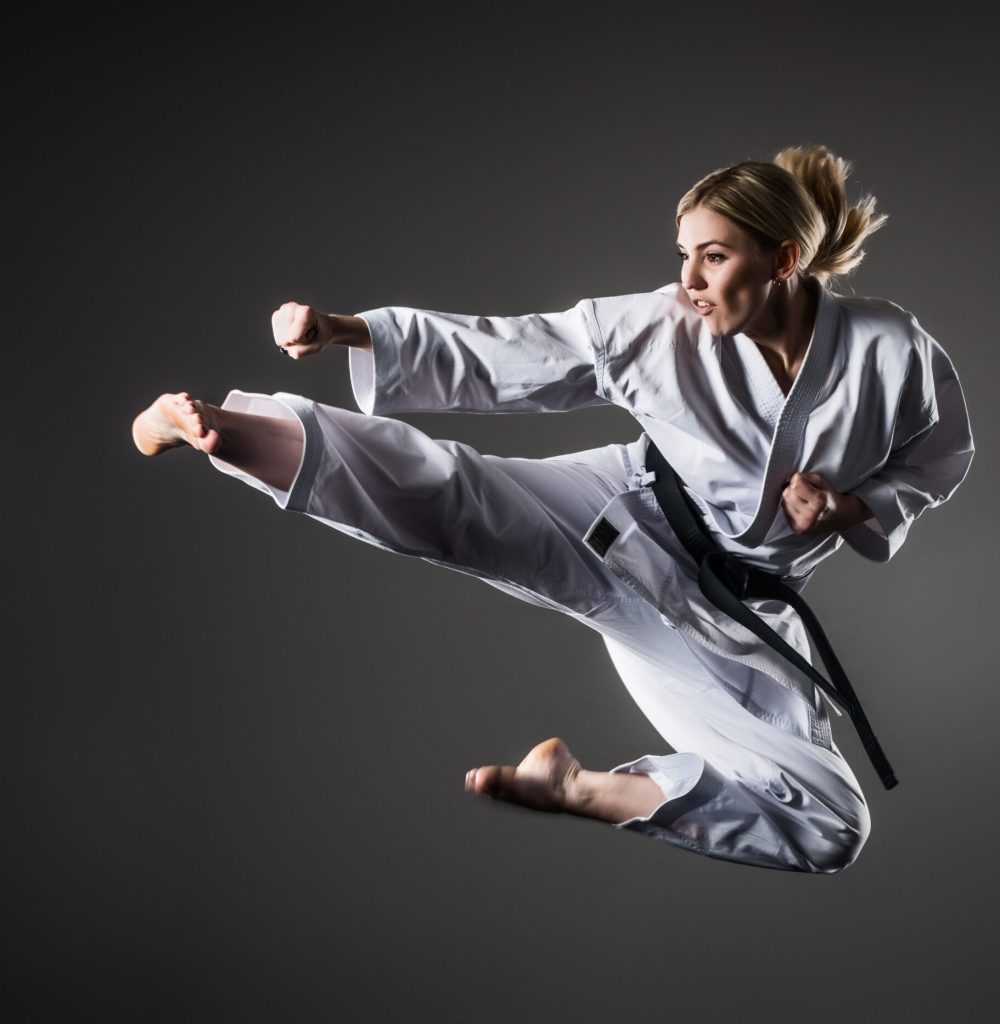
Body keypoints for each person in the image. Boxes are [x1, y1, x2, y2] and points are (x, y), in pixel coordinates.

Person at [131, 145, 974, 873]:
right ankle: (218, 430)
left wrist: (853, 508)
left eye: (712, 258)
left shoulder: (893, 352)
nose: (689, 281)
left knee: (831, 825)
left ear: (784, 259)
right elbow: (515, 350)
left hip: (733, 617)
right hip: (627, 517)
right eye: (683, 255)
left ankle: (580, 789)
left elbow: (940, 459)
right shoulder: (658, 325)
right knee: (452, 501)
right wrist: (350, 331)